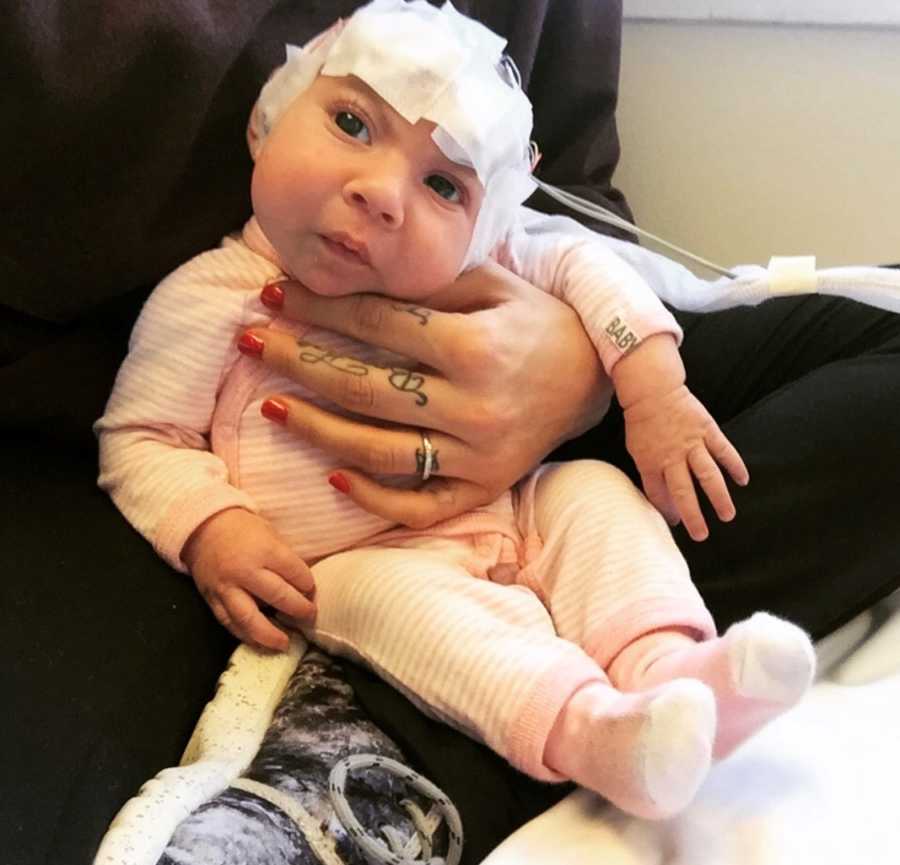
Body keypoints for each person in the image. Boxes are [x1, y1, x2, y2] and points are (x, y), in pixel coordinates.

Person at [96, 0, 816, 821]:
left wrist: (653, 386)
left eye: (443, 184)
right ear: (264, 122)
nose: (380, 195)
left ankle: (672, 673)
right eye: (352, 124)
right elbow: (140, 438)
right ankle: (594, 731)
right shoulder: (210, 299)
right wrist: (212, 525)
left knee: (596, 498)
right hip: (357, 559)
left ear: (484, 222)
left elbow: (586, 261)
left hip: (514, 499)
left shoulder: (484, 257)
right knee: (413, 614)